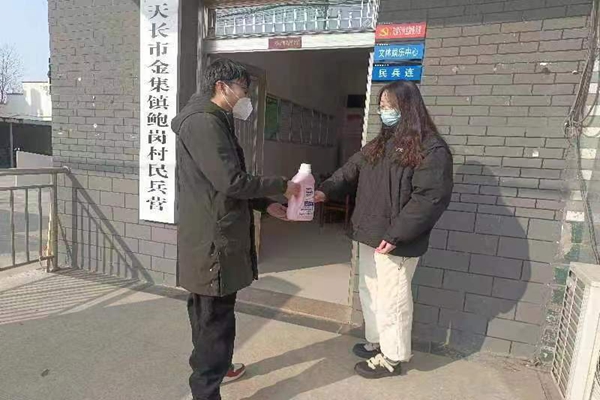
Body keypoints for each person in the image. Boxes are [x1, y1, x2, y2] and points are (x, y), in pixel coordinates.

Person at [171, 58, 299, 400]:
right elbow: (231, 181)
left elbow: (225, 185)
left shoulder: (213, 118)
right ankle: (206, 388)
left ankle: (218, 363)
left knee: (207, 314)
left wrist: (266, 204)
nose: (246, 97)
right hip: (213, 240)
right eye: (243, 89)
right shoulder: (204, 122)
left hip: (212, 233)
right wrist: (282, 185)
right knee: (215, 319)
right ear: (221, 86)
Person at [315, 80, 453, 379]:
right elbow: (349, 171)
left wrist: (397, 234)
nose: (384, 111)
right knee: (371, 291)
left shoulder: (431, 148)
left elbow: (429, 198)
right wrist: (324, 191)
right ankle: (377, 342)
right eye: (382, 106)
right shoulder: (380, 144)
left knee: (393, 299)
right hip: (370, 233)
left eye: (390, 106)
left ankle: (393, 357)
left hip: (397, 241)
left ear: (408, 107)